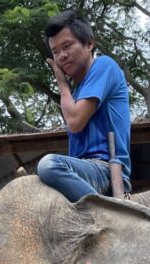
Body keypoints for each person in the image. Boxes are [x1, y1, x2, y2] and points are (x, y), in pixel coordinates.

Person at [37, 9, 131, 202]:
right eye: (55, 52)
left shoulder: (104, 66)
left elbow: (75, 121)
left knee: (49, 165)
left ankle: (104, 213)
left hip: (106, 170)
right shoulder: (78, 92)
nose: (62, 56)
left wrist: (62, 84)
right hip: (84, 171)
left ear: (89, 43)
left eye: (67, 46)